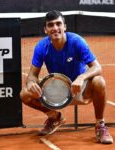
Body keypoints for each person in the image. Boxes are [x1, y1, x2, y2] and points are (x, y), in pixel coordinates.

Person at [20, 10, 113, 144]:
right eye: (51, 25)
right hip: (57, 92)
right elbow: (32, 75)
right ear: (45, 29)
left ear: (65, 27)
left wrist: (81, 78)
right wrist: (30, 83)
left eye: (58, 24)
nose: (55, 28)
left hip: (80, 90)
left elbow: (97, 67)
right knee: (25, 93)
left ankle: (100, 126)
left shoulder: (77, 41)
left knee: (99, 81)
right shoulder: (42, 46)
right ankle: (55, 117)